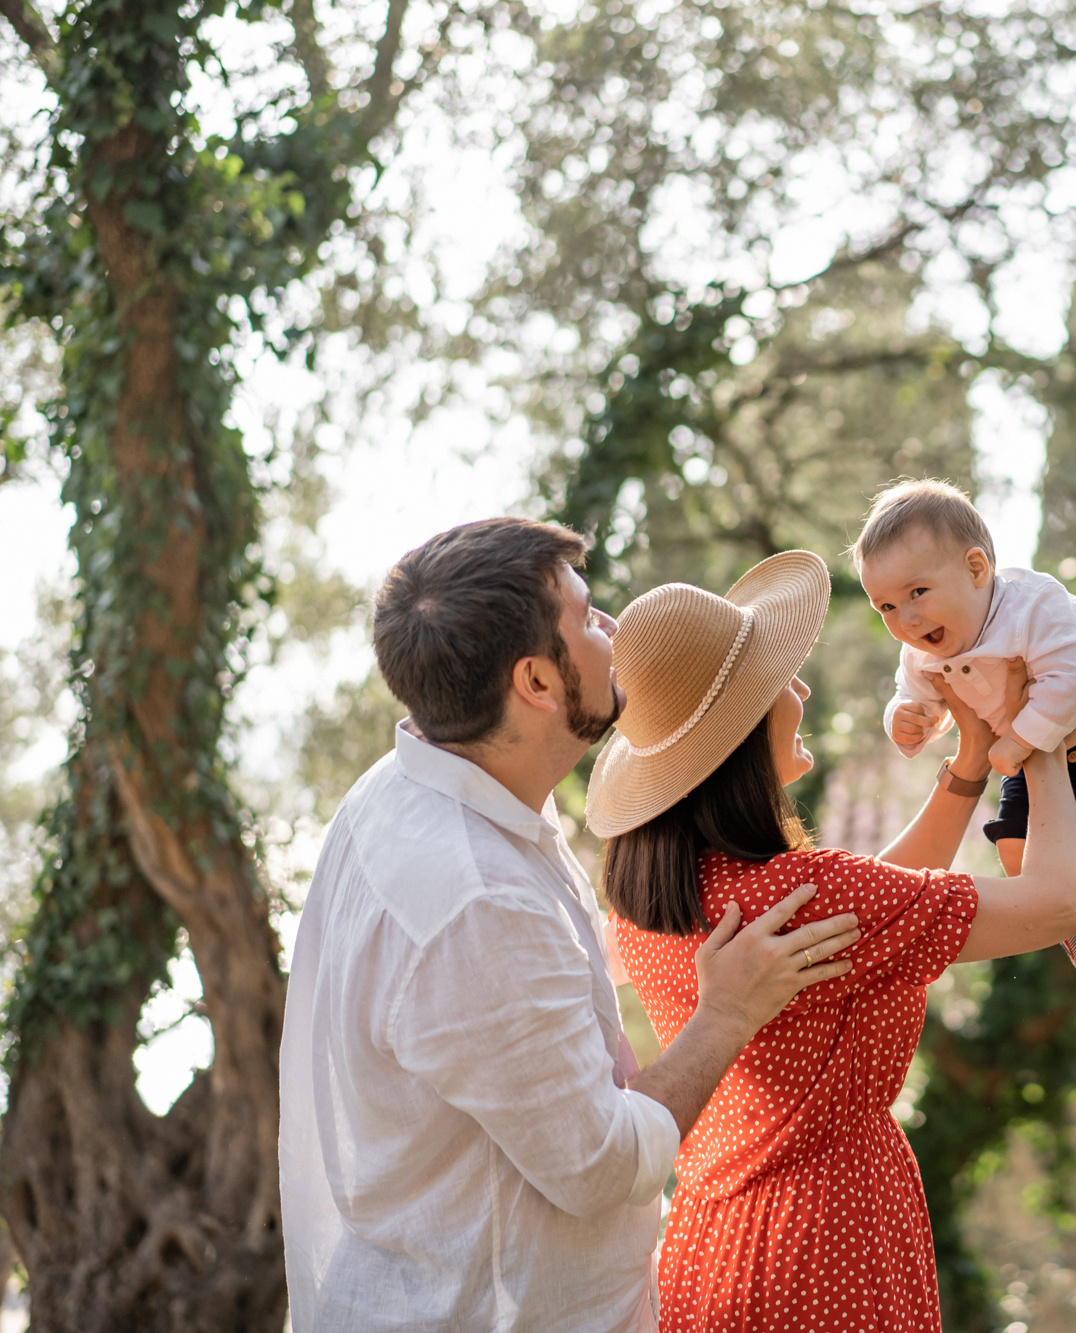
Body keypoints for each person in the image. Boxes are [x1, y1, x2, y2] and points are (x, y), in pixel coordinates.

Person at [278, 518, 863, 1333]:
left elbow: (513, 1001)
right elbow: (601, 1164)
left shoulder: (416, 785)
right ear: (537, 681)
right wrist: (725, 1014)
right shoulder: (475, 903)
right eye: (587, 618)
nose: (615, 629)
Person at [585, 549, 1076, 1333]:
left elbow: (874, 911)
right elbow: (1058, 903)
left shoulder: (657, 899)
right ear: (742, 730)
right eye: (779, 679)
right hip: (830, 1246)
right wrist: (1037, 729)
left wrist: (966, 771)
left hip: (710, 1246)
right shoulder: (809, 893)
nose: (802, 689)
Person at [853, 478, 1076, 1013]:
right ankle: (1074, 918)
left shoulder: (1033, 606)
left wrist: (1022, 738)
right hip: (1023, 759)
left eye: (917, 593)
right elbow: (917, 697)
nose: (904, 619)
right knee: (1014, 850)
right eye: (885, 606)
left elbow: (1075, 674)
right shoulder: (921, 653)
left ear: (976, 569)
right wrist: (905, 719)